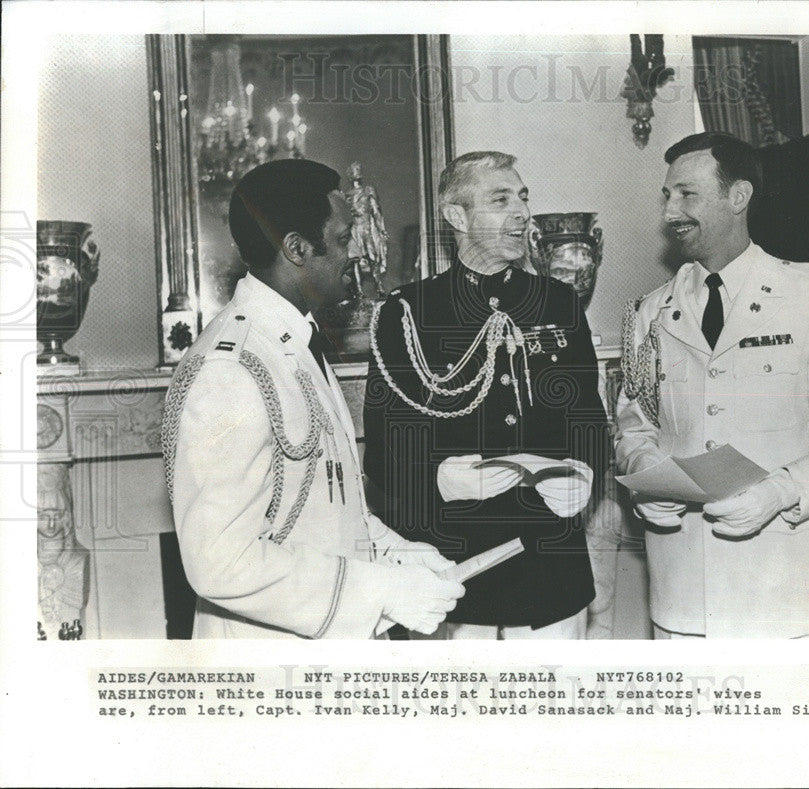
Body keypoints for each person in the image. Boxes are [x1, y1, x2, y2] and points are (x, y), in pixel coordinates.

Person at [161, 159, 464, 639]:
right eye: (343, 240)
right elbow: (220, 560)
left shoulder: (292, 340)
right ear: (298, 249)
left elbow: (329, 500)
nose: (355, 256)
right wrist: (380, 590)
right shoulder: (231, 369)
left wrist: (397, 553)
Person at [616, 132, 809, 639]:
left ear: (738, 197)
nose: (671, 211)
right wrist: (648, 482)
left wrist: (781, 492)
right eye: (668, 195)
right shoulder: (646, 313)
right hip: (683, 600)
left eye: (687, 194)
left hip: (787, 592)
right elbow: (634, 428)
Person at [363, 151, 609, 639]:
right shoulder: (407, 312)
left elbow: (590, 422)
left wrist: (584, 472)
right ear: (457, 216)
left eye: (523, 198)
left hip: (549, 568)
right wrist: (437, 480)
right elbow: (385, 452)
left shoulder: (559, 303)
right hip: (452, 570)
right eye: (501, 200)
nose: (521, 212)